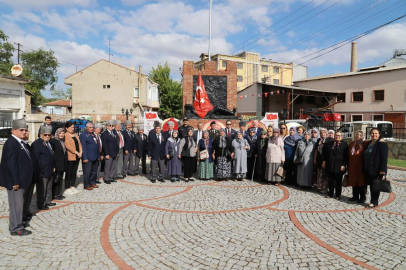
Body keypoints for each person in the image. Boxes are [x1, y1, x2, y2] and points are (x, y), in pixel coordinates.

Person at [0, 119, 35, 236]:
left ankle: (19, 221)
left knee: (21, 204)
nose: (24, 132)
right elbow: (11, 164)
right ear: (13, 130)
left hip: (23, 179)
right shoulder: (11, 143)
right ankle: (16, 228)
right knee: (16, 205)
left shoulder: (22, 143)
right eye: (21, 130)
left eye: (26, 130)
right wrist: (15, 181)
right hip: (16, 181)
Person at [32, 125, 55, 210]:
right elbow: (36, 159)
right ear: (41, 134)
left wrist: (53, 166)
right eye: (45, 135)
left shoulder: (50, 143)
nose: (48, 136)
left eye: (49, 135)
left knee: (49, 186)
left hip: (49, 169)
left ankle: (48, 200)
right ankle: (41, 203)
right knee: (42, 188)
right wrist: (39, 171)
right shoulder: (37, 144)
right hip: (42, 170)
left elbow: (52, 155)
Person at [364, 128, 388, 208]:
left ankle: (374, 201)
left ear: (379, 134)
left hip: (377, 169)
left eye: (376, 133)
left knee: (375, 185)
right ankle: (373, 200)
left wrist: (383, 170)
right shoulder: (369, 143)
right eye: (372, 133)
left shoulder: (382, 144)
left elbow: (384, 158)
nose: (374, 135)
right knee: (371, 185)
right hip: (368, 168)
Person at [322, 131, 348, 200]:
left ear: (341, 137)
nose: (337, 137)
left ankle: (338, 195)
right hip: (330, 165)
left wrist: (344, 165)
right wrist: (324, 161)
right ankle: (330, 193)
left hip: (339, 166)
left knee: (338, 181)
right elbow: (324, 153)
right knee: (330, 180)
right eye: (336, 135)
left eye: (339, 135)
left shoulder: (344, 145)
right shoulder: (329, 144)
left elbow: (346, 156)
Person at [347, 131, 368, 203]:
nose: (358, 136)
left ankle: (363, 197)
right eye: (357, 134)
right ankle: (355, 196)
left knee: (362, 182)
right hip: (353, 165)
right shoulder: (352, 144)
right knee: (354, 181)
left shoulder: (365, 144)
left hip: (361, 166)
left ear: (363, 136)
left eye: (360, 135)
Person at [79, 122, 100, 191]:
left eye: (92, 127)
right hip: (88, 157)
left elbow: (97, 146)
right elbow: (83, 147)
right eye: (90, 127)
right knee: (87, 172)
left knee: (94, 171)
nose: (91, 129)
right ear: (86, 128)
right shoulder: (83, 135)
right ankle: (87, 184)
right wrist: (84, 157)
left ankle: (92, 182)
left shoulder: (93, 134)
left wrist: (98, 155)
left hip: (95, 156)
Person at [64, 122, 82, 194]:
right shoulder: (66, 135)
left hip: (77, 156)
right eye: (71, 127)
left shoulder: (75, 135)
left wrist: (80, 151)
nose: (72, 129)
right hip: (70, 156)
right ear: (67, 128)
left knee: (74, 172)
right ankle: (67, 187)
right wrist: (76, 152)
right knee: (69, 172)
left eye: (73, 127)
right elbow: (68, 146)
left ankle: (72, 186)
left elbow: (79, 143)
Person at [50, 128, 67, 200]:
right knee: (56, 179)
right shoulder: (53, 141)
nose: (62, 135)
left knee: (60, 179)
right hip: (56, 163)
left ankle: (59, 193)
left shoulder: (62, 141)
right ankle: (55, 194)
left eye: (63, 133)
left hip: (62, 163)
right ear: (57, 133)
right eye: (60, 133)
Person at [314, 128, 328, 193]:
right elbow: (316, 150)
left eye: (324, 133)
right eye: (321, 133)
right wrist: (315, 158)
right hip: (319, 158)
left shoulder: (328, 140)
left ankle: (324, 187)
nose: (323, 134)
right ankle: (319, 186)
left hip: (325, 159)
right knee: (319, 173)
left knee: (324, 174)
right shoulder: (318, 140)